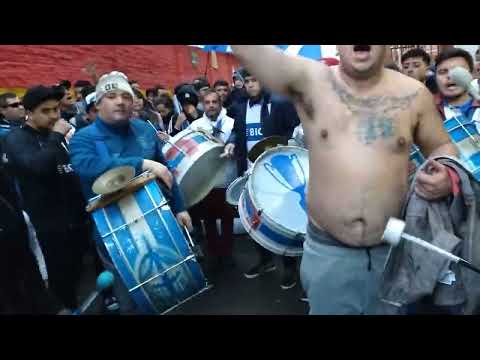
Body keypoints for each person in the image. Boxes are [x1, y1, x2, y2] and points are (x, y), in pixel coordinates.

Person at [230, 45, 458, 314]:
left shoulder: (413, 94)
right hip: (329, 254)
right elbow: (251, 52)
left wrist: (446, 172)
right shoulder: (310, 81)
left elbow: (442, 146)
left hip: (391, 251)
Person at [69, 71, 193, 314]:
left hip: (156, 221)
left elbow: (166, 172)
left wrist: (180, 207)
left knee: (169, 290)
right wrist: (142, 163)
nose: (120, 101)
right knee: (130, 300)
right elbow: (87, 168)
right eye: (111, 96)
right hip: (114, 231)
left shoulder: (144, 130)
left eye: (126, 96)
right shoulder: (83, 137)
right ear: (98, 103)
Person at [3, 85, 90, 312]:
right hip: (49, 227)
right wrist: (56, 136)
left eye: (56, 110)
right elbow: (37, 167)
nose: (54, 116)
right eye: (46, 111)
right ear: (29, 112)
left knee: (79, 273)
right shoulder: (17, 139)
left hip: (75, 219)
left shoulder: (55, 137)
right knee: (62, 283)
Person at [223, 67, 301, 290]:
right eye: (246, 81)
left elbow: (293, 130)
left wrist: (281, 145)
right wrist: (231, 141)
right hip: (249, 172)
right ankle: (264, 260)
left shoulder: (280, 104)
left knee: (281, 219)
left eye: (254, 80)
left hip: (277, 173)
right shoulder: (239, 108)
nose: (250, 85)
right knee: (252, 220)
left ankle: (289, 267)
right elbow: (237, 131)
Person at [188, 90, 237, 271]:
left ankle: (227, 253)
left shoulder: (232, 124)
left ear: (220, 103)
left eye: (214, 102)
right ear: (203, 104)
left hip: (227, 178)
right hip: (205, 181)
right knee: (208, 220)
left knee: (227, 219)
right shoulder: (195, 126)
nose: (211, 105)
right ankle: (215, 253)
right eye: (207, 102)